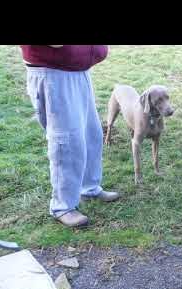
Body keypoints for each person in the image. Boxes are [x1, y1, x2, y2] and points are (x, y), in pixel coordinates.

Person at [21, 45, 120, 228]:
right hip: (53, 73)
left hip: (77, 70)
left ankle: (89, 188)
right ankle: (62, 206)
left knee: (92, 135)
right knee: (66, 142)